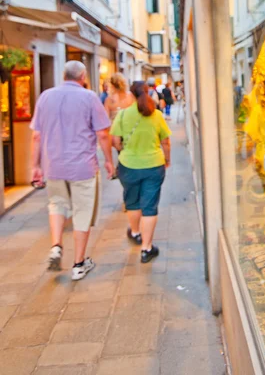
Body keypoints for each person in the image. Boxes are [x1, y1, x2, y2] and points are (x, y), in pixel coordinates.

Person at [30, 61, 114, 280]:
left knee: (57, 204)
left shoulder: (45, 97)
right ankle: (78, 264)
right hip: (83, 167)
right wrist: (108, 161)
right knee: (82, 212)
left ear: (63, 75)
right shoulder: (89, 98)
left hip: (53, 165)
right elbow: (103, 134)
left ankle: (56, 245)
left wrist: (35, 166)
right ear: (83, 76)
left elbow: (36, 135)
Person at [111, 81, 171, 263]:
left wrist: (124, 150)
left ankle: (135, 232)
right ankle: (146, 248)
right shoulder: (157, 115)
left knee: (132, 202)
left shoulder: (123, 115)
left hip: (128, 166)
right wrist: (167, 159)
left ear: (131, 94)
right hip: (153, 164)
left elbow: (115, 141)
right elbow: (166, 142)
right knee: (150, 206)